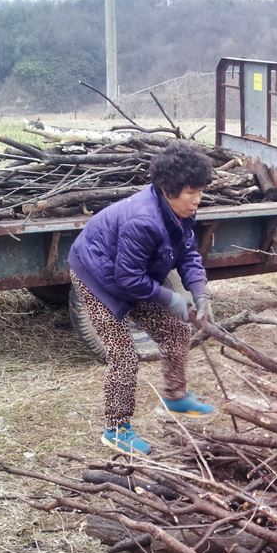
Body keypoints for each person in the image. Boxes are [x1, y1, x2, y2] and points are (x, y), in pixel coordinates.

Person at [68, 140, 216, 455]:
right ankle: (116, 429)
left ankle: (176, 396)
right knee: (123, 355)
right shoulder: (143, 220)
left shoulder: (180, 212)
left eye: (199, 192)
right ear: (167, 189)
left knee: (176, 329)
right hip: (96, 275)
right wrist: (170, 298)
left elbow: (187, 253)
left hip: (130, 273)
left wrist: (199, 292)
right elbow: (127, 280)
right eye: (191, 193)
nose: (197, 201)